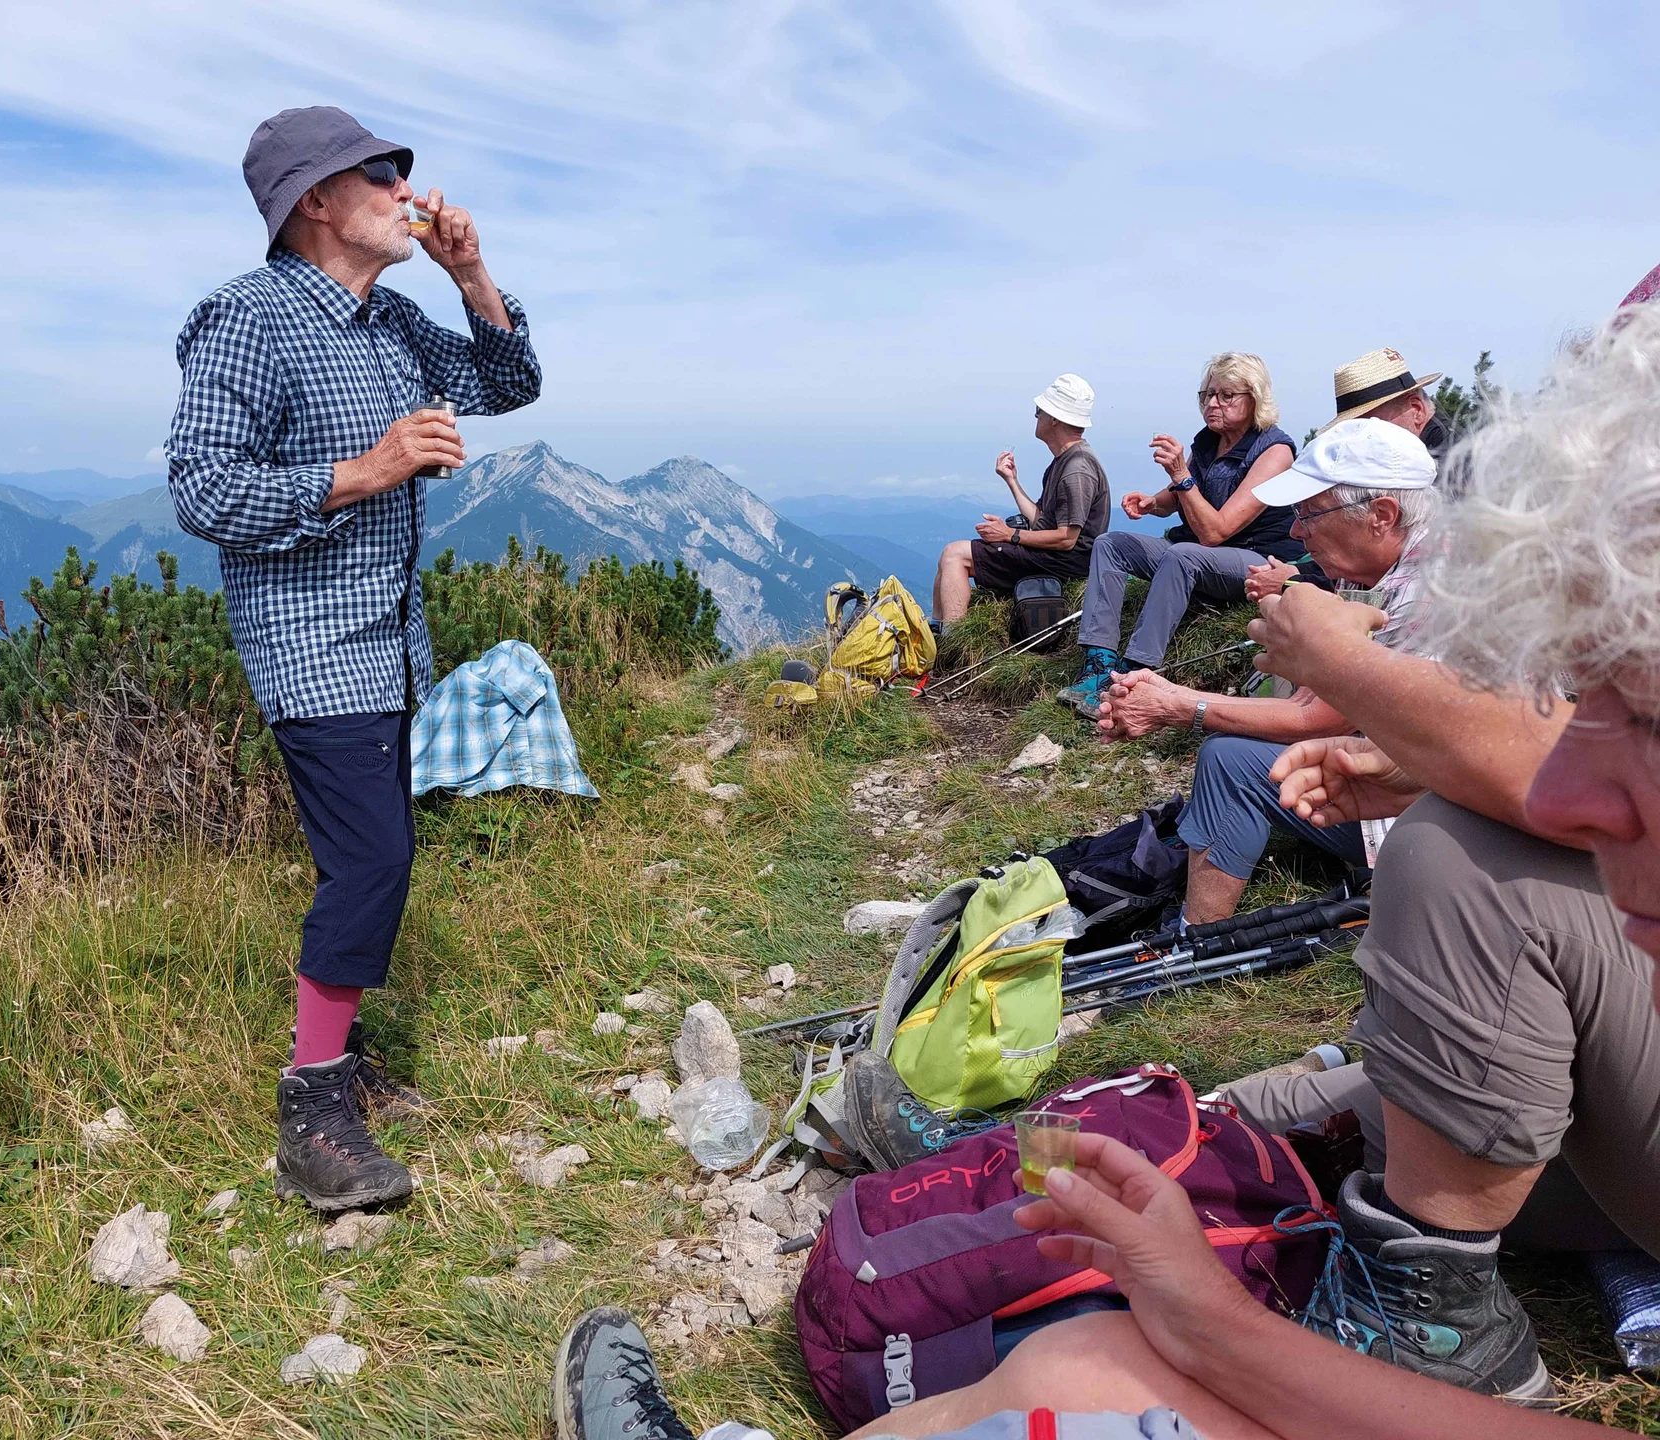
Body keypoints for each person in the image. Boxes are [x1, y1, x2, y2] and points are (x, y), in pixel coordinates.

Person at [548, 309, 1660, 1439]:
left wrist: (1296, 687)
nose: (1573, 780)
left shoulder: (1403, 600)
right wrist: (1401, 758)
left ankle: (1420, 1311)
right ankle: (1018, 1158)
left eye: (1637, 717)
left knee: (1087, 1367)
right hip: (1592, 1112)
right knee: (1308, 1110)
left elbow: (1500, 761)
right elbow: (1514, 761)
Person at [166, 106, 541, 1211]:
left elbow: (509, 383)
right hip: (312, 645)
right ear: (314, 201)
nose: (402, 185)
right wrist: (362, 472)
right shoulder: (247, 318)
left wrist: (475, 277)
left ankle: (342, 1057)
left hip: (389, 645)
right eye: (378, 170)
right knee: (371, 864)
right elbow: (202, 488)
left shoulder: (393, 320)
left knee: (378, 856)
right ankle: (313, 1110)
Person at [1093, 419, 1439, 923]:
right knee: (1239, 753)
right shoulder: (1385, 569)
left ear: (1381, 516)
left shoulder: (1422, 591)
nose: (1297, 531)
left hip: (1436, 819)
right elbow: (1312, 704)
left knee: (1230, 763)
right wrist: (1173, 695)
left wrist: (1176, 705)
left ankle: (1196, 940)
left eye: (1310, 514)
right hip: (1428, 788)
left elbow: (1320, 719)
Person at [1059, 353, 1298, 718]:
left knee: (1182, 554)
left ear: (1255, 398)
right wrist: (1152, 501)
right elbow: (1185, 495)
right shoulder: (1210, 442)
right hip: (1197, 549)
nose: (1212, 403)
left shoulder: (1275, 452)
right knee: (1111, 545)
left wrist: (1181, 475)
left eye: (1226, 395)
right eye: (1207, 394)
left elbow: (1216, 532)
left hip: (1253, 557)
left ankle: (1134, 672)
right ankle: (1098, 660)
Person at [1240, 347, 1450, 602]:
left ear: (1416, 409)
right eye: (1351, 428)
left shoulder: (1458, 471)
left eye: (1369, 423)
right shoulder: (1405, 465)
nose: (1359, 435)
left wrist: (1293, 581)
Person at [931, 374, 1110, 632]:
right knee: (949, 557)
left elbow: (1067, 539)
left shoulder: (1076, 470)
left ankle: (952, 640)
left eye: (1040, 411)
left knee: (954, 555)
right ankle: (937, 631)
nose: (1036, 416)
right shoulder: (1067, 460)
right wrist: (1012, 481)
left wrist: (1010, 535)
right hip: (1062, 557)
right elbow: (1043, 522)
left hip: (1067, 562)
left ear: (1055, 418)